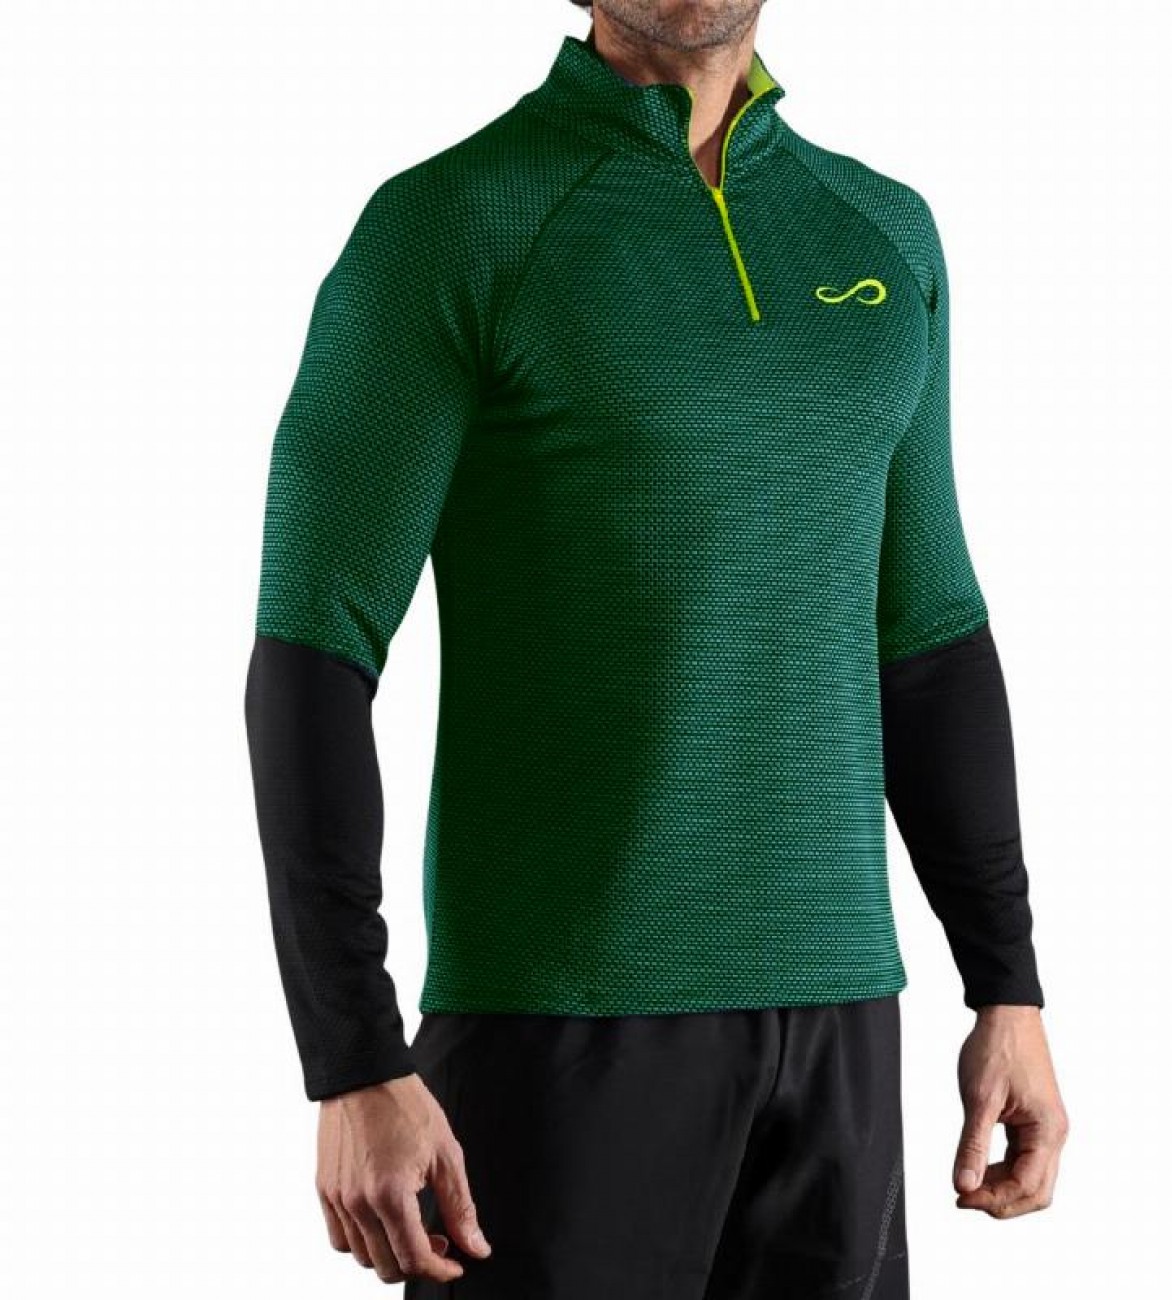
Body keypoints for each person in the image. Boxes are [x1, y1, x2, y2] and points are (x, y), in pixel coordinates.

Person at [243, 2, 1069, 1295]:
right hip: (558, 1030)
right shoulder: (452, 225)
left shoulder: (881, 234)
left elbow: (929, 639)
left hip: (842, 1022)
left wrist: (1006, 988)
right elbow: (312, 656)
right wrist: (350, 1058)